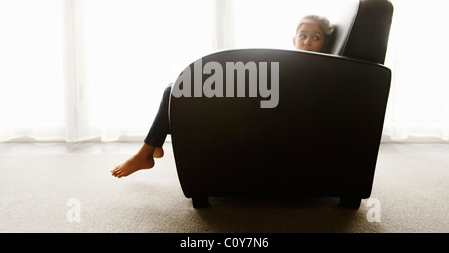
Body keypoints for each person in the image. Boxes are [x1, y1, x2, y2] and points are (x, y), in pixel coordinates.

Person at [111, 15, 334, 178]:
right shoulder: (291, 59)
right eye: (303, 36)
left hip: (255, 108)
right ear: (293, 39)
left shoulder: (317, 69)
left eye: (316, 37)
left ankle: (148, 151)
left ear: (324, 44)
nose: (307, 41)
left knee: (175, 91)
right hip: (249, 98)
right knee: (174, 88)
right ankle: (150, 148)